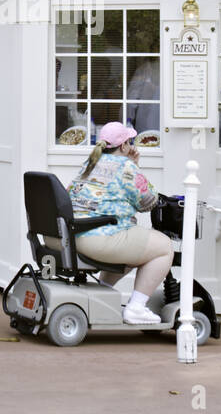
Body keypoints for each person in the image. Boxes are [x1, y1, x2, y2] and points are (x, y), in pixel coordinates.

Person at [67, 122, 170, 324]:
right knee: (164, 247)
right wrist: (134, 166)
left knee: (137, 249)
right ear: (124, 146)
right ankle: (136, 308)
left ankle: (102, 294)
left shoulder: (89, 163)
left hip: (72, 234)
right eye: (129, 141)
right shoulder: (126, 167)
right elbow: (148, 201)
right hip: (98, 238)